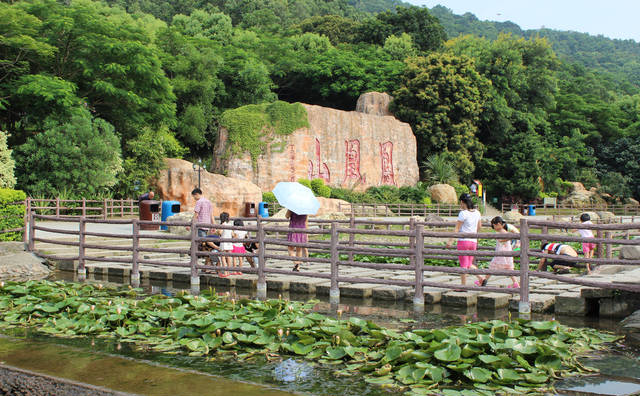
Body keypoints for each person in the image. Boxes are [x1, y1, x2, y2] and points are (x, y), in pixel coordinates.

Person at [446, 194, 484, 287]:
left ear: (462, 202)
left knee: (463, 265)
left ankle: (463, 286)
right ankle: (481, 278)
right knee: (469, 264)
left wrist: (450, 241)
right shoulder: (477, 213)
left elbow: (457, 229)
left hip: (463, 241)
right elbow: (479, 227)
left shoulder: (463, 213)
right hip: (473, 241)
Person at [478, 216, 519, 288]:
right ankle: (515, 282)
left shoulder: (502, 232)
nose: (494, 227)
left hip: (501, 251)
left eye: (494, 225)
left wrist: (502, 240)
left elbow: (509, 237)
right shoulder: (503, 231)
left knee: (492, 266)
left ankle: (484, 280)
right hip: (507, 250)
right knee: (509, 268)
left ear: (499, 224)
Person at [217, 212, 232, 277]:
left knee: (223, 257)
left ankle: (225, 272)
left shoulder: (223, 224)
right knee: (228, 257)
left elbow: (220, 232)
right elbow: (232, 234)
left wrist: (218, 231)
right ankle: (228, 271)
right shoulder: (230, 224)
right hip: (229, 241)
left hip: (223, 241)